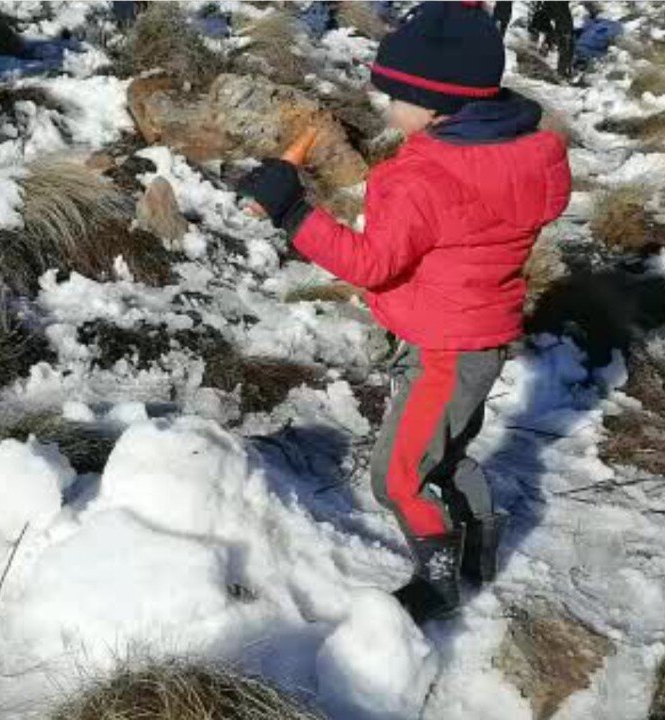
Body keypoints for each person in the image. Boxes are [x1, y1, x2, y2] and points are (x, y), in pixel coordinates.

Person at [238, 1, 570, 625]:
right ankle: (478, 550)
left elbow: (372, 264)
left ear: (438, 101)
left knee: (398, 476)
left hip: (445, 349)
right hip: (481, 337)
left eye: (394, 95)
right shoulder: (524, 152)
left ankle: (439, 580)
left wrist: (293, 211)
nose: (385, 106)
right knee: (444, 452)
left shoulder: (423, 178)